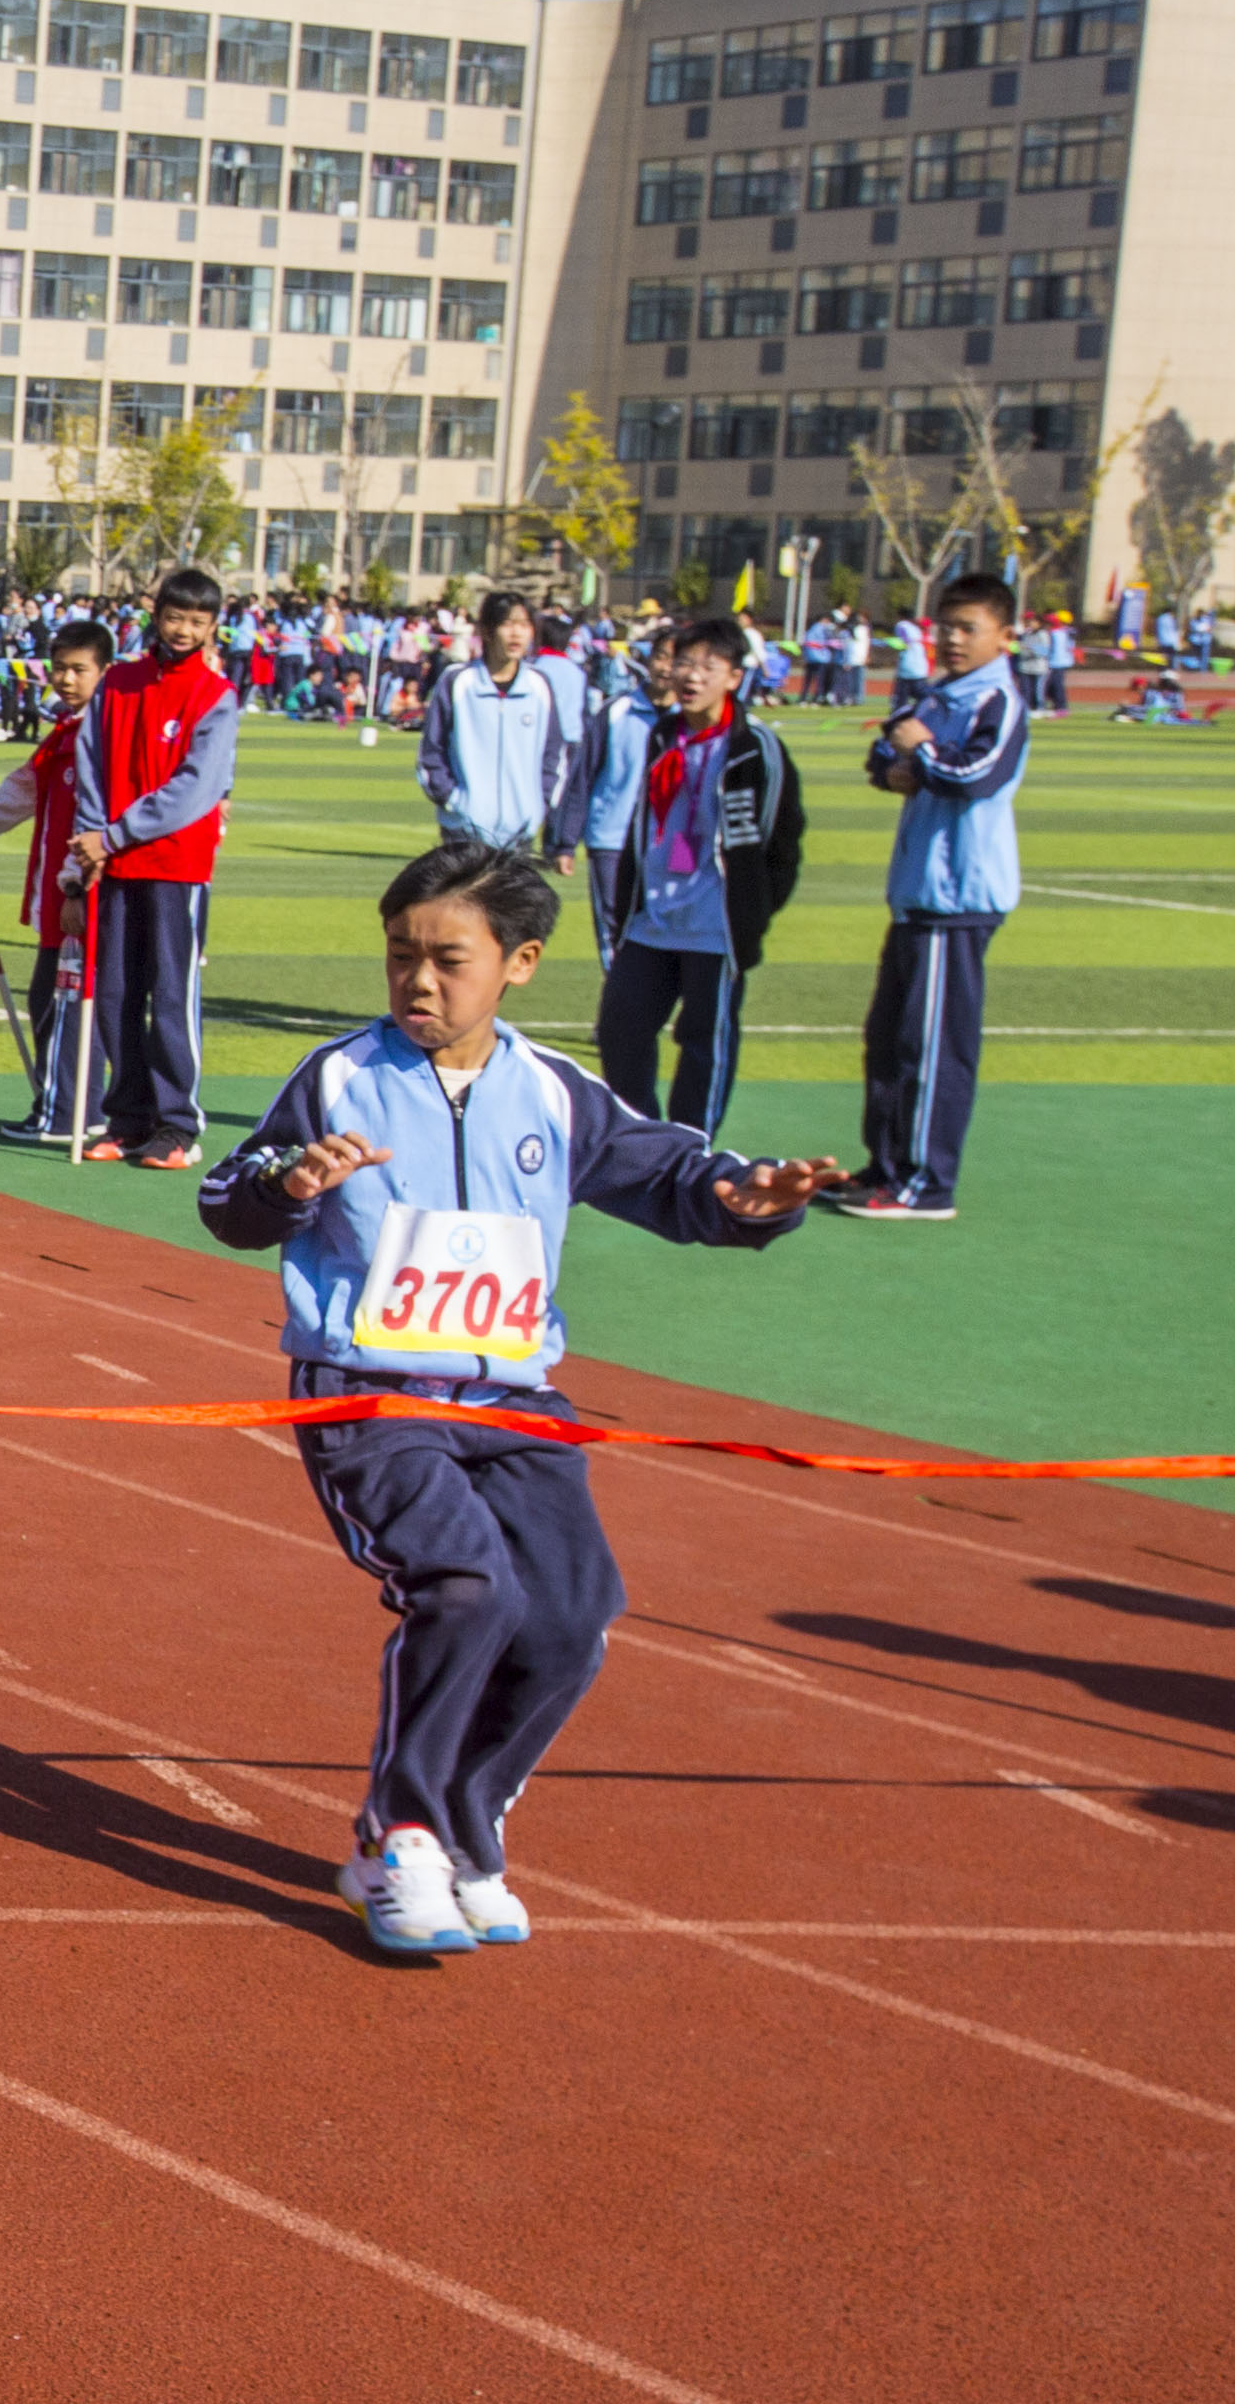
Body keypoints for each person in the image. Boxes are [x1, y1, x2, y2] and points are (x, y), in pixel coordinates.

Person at [199, 837, 831, 1952]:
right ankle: (401, 1836)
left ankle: (464, 1825)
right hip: (373, 1396)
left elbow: (679, 1179)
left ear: (520, 963)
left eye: (448, 959)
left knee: (571, 1617)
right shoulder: (339, 1078)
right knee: (464, 1589)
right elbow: (229, 1195)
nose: (419, 983)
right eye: (401, 956)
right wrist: (288, 1187)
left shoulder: (553, 1090)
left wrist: (752, 1197)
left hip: (514, 1401)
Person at [838, 570, 1028, 1222]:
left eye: (967, 628)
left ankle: (926, 1182)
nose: (951, 639)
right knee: (888, 1039)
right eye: (944, 626)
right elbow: (885, 749)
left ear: (1004, 636)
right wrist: (902, 763)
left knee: (935, 1048)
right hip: (919, 893)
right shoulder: (941, 694)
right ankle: (885, 1167)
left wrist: (917, 757)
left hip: (958, 899)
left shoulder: (996, 701)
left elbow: (971, 776)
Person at [586, 615, 802, 1140]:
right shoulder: (664, 735)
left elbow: (782, 845)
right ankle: (640, 1140)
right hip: (652, 917)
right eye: (684, 662)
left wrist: (750, 913)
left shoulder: (756, 749)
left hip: (715, 924)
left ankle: (689, 1150)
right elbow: (643, 828)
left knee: (705, 1043)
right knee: (621, 1028)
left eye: (708, 666)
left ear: (733, 677)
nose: (691, 676)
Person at [61, 564, 244, 1168]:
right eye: (174, 617)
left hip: (175, 867)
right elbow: (91, 764)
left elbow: (197, 788)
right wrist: (91, 839)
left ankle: (176, 1124)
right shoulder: (119, 683)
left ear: (214, 626)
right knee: (113, 993)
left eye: (198, 621)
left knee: (170, 994)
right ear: (154, 614)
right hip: (111, 864)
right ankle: (128, 1116)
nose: (184, 630)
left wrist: (113, 835)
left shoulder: (216, 696)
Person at [0, 617, 113, 1140]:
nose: (66, 680)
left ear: (104, 672)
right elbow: (23, 789)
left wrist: (77, 885)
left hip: (80, 890)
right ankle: (68, 1106)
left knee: (66, 1001)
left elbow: (98, 820)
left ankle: (67, 1111)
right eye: (60, 668)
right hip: (56, 892)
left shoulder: (102, 735)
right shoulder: (63, 732)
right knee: (50, 997)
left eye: (79, 670)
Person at [417, 590, 583, 867]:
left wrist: (537, 804)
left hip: (520, 833)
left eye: (524, 624)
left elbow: (554, 754)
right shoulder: (458, 683)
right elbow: (431, 753)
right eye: (507, 624)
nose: (516, 633)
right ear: (488, 630)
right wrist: (456, 801)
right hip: (464, 831)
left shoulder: (539, 686)